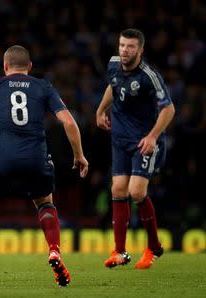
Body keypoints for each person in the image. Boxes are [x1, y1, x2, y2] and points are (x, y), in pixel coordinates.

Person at [0, 45, 88, 288]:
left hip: (2, 157)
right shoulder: (43, 87)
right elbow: (69, 122)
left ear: (5, 67)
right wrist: (79, 155)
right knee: (45, 202)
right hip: (36, 156)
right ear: (30, 67)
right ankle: (54, 251)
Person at [96, 28, 175, 269]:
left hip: (144, 141)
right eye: (121, 45)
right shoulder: (113, 65)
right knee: (118, 189)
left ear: (140, 50)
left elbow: (169, 109)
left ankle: (154, 246)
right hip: (120, 140)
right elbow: (113, 86)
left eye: (130, 47)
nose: (124, 50)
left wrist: (152, 136)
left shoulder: (148, 76)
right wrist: (100, 110)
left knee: (137, 191)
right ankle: (119, 251)